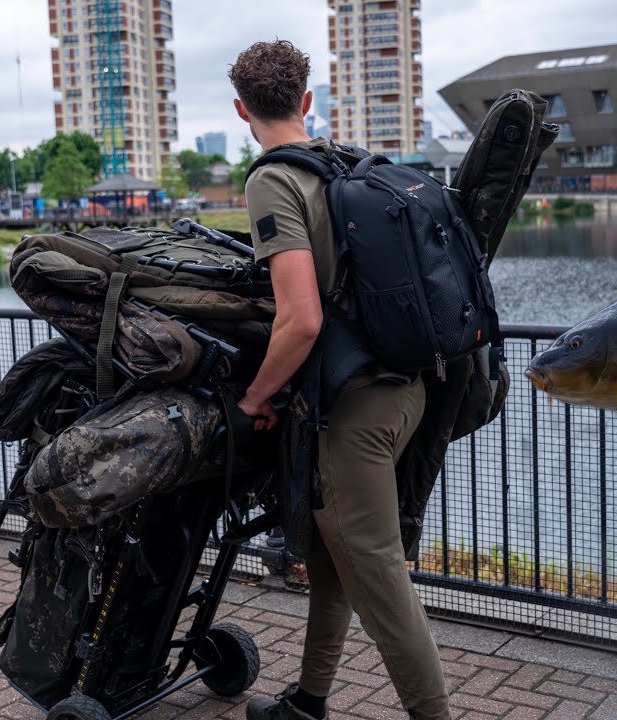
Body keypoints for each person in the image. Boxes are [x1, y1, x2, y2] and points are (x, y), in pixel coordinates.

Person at [228, 39, 450, 720]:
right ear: (306, 101)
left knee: (378, 573)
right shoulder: (346, 163)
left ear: (241, 109)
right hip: (409, 387)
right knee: (335, 558)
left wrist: (255, 396)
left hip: (354, 409)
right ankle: (308, 701)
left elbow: (300, 320)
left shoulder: (274, 179)